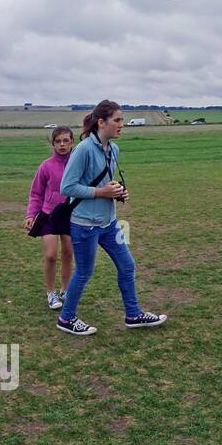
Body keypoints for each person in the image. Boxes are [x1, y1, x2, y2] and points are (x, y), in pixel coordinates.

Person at [55, 100, 170, 335]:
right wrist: (101, 192)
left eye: (122, 120)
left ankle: (133, 314)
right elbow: (67, 187)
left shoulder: (113, 149)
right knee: (84, 272)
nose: (121, 125)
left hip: (109, 223)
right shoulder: (84, 149)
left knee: (127, 266)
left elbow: (102, 183)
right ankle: (66, 318)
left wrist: (117, 192)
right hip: (85, 225)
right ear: (101, 122)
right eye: (117, 120)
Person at [26, 125, 77, 309]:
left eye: (66, 140)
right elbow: (36, 193)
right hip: (48, 215)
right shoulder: (46, 165)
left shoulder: (77, 163)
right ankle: (51, 293)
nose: (62, 145)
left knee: (68, 253)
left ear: (72, 142)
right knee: (50, 256)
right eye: (58, 141)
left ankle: (65, 289)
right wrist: (31, 214)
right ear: (53, 143)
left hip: (71, 214)